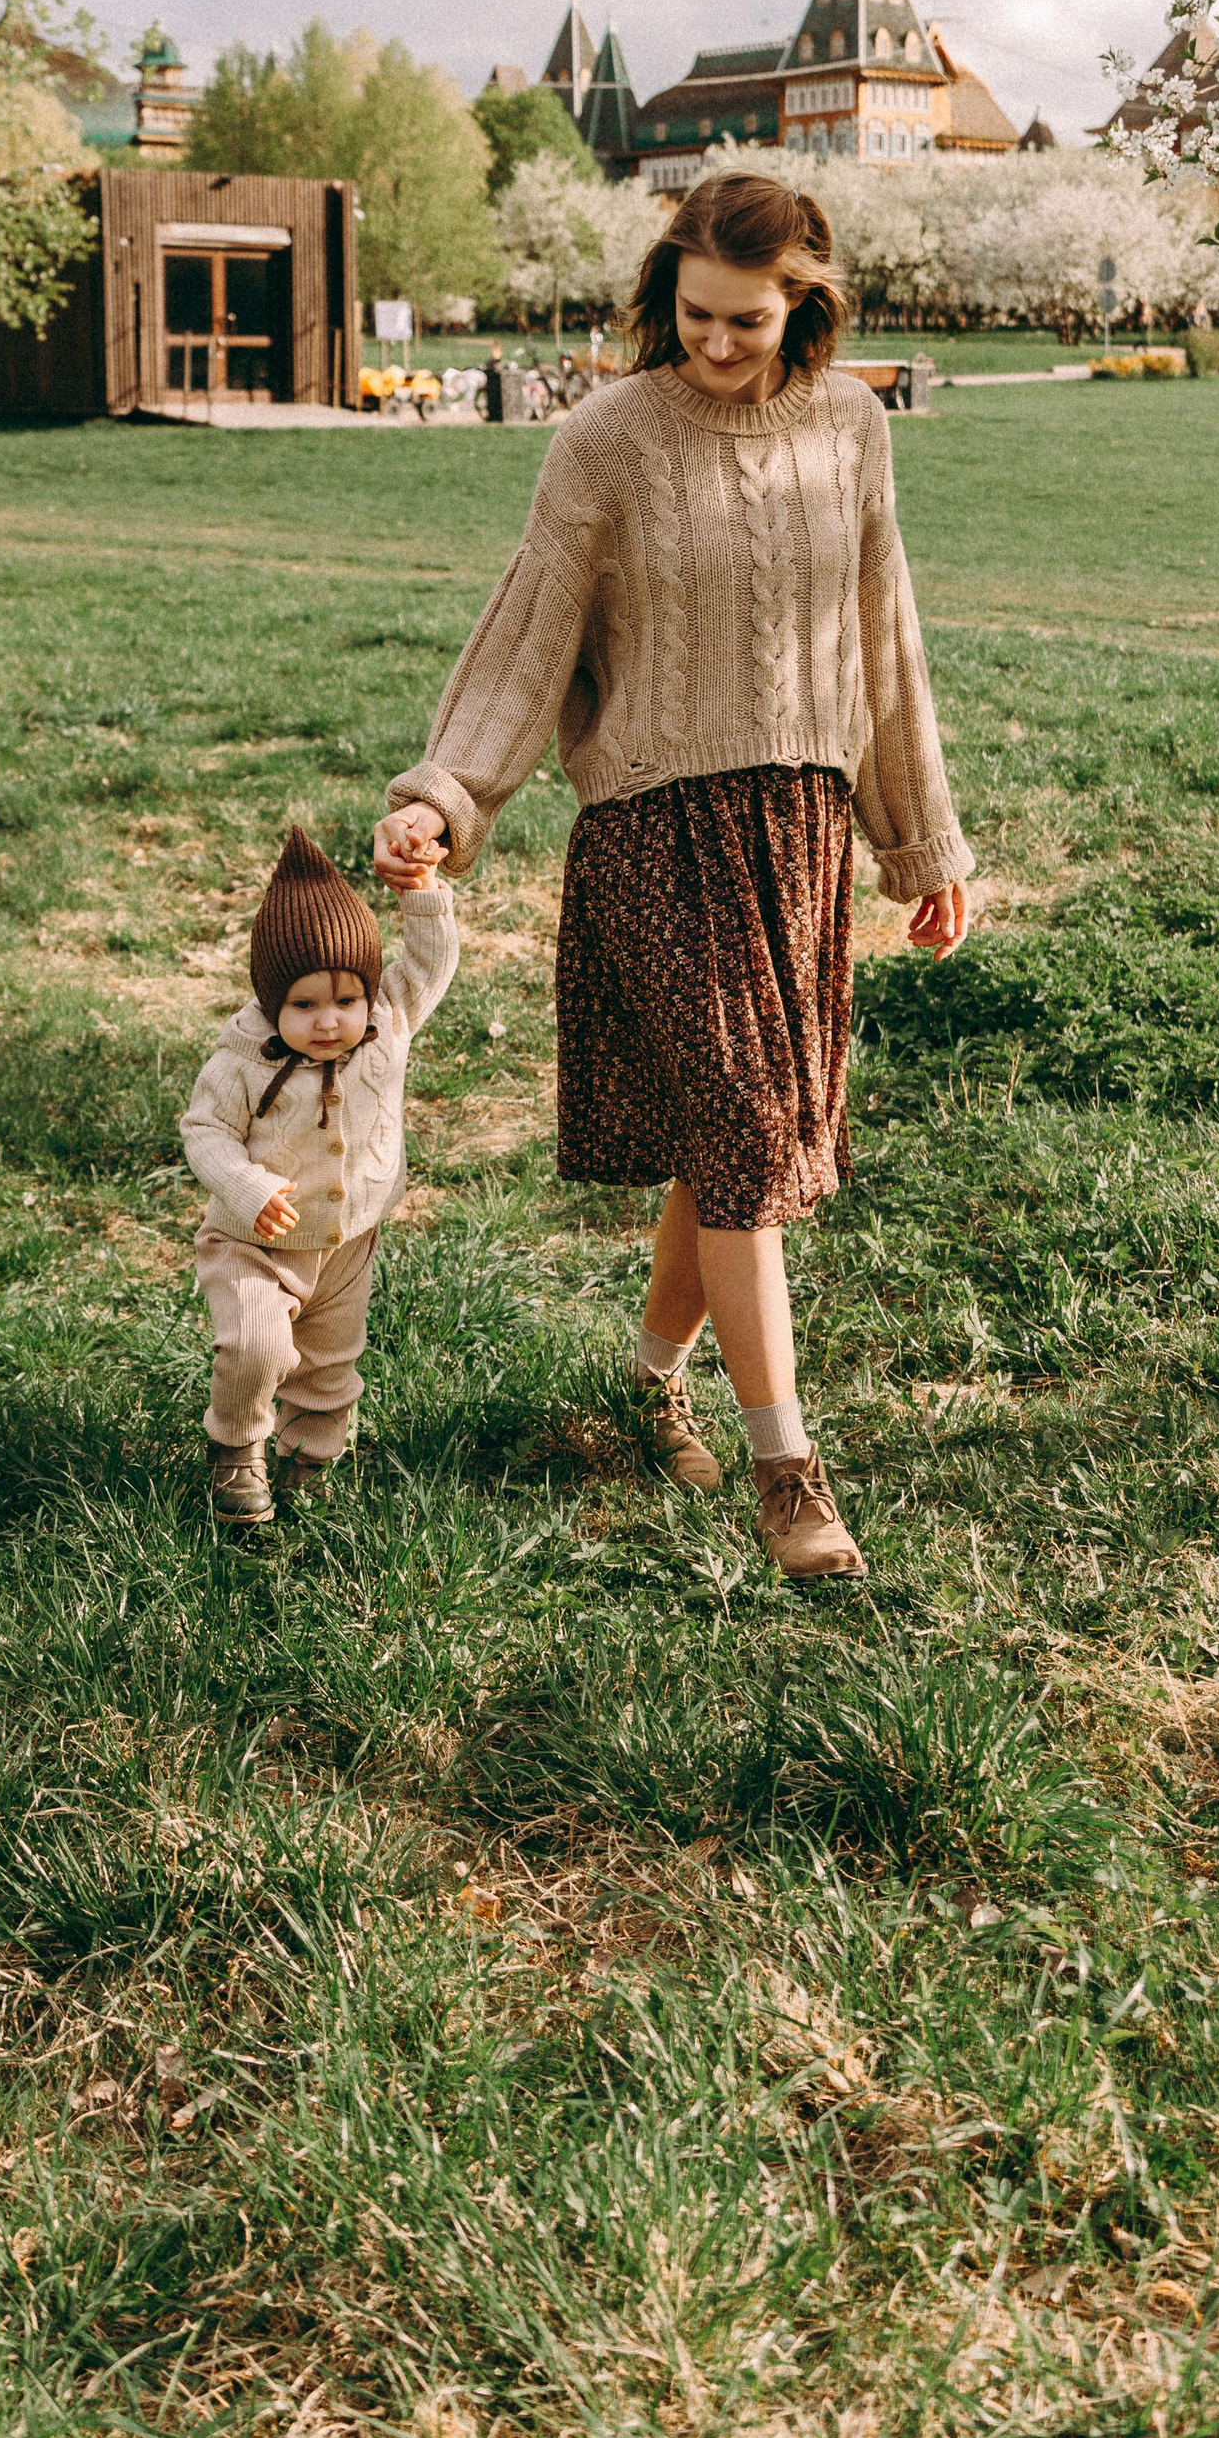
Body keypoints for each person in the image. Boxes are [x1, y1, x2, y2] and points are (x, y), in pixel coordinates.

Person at [374, 172, 970, 1581]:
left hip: (805, 839)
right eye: (694, 315)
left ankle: (648, 1388)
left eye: (746, 320)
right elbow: (529, 634)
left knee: (734, 1155)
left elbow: (883, 645)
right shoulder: (607, 442)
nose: (715, 342)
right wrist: (447, 794)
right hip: (661, 838)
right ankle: (791, 1476)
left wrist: (923, 842)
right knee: (755, 1147)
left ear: (804, 302)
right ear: (666, 296)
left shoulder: (853, 430)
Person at [180, 823, 458, 1535]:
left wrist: (423, 894)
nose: (329, 1021)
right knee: (258, 1347)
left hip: (345, 1243)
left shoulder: (387, 1024)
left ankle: (311, 1457)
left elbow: (428, 962)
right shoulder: (243, 1061)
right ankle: (238, 1449)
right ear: (273, 1003)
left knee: (330, 1362)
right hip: (253, 1242)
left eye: (345, 1000)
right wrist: (246, 1186)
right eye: (304, 1005)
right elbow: (204, 1131)